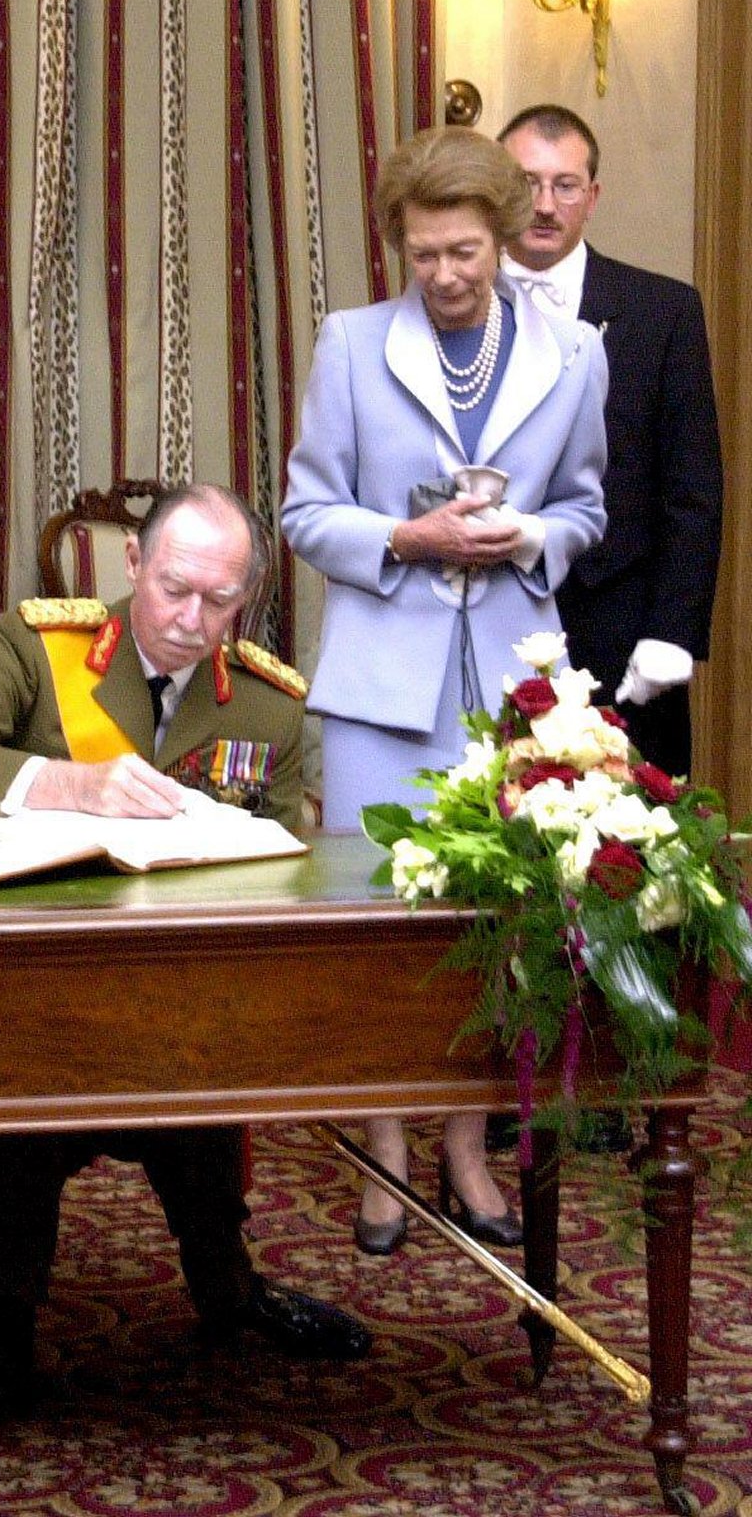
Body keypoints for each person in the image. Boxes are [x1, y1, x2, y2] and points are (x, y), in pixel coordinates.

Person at [0, 483, 372, 1406]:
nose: (192, 621)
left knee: (194, 1063)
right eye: (174, 589)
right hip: (32, 980)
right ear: (135, 566)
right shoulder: (44, 646)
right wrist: (68, 786)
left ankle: (229, 1290)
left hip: (181, 991)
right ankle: (8, 1317)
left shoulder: (266, 706)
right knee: (40, 1075)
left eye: (219, 602)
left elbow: (282, 869)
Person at [281, 126, 608, 1256]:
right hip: (383, 679)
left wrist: (530, 536)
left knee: (497, 921)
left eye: (464, 251)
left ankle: (468, 1143)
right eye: (423, 256)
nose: (446, 276)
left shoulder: (574, 355)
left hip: (513, 682)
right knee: (381, 920)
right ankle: (385, 1146)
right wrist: (405, 536)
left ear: (508, 233)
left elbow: (586, 507)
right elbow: (306, 512)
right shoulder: (352, 345)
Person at [498, 104, 722, 781]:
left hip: (622, 637)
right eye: (524, 182)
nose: (543, 204)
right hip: (487, 618)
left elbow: (693, 493)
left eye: (565, 184)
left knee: (626, 860)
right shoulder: (448, 303)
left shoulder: (664, 312)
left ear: (592, 196)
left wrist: (672, 634)